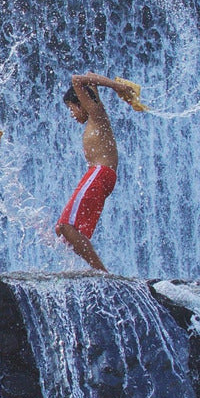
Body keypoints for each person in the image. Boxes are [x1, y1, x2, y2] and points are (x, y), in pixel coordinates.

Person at [55, 72, 137, 272]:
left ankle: (101, 273)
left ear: (81, 103)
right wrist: (97, 85)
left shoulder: (96, 113)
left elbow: (77, 79)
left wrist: (116, 87)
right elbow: (90, 77)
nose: (72, 114)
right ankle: (94, 269)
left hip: (99, 173)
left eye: (71, 108)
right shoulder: (96, 115)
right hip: (101, 175)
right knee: (61, 230)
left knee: (66, 226)